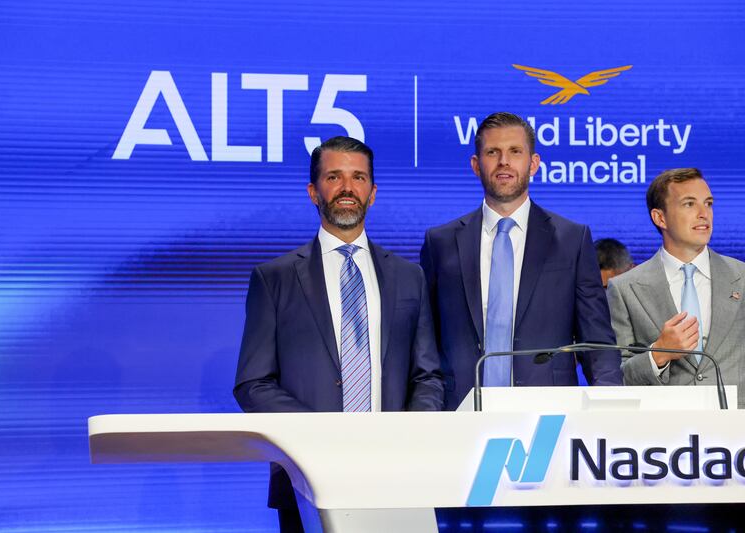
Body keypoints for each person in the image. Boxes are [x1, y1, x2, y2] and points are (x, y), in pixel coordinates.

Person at [234, 136, 444, 532]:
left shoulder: (408, 277)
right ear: (314, 191)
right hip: (305, 477)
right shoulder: (274, 278)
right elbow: (252, 382)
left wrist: (411, 437)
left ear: (373, 192)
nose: (347, 187)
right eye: (334, 176)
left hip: (398, 474)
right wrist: (325, 436)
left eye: (358, 177)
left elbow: (427, 375)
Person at [421, 112, 622, 410]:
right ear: (476, 165)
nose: (504, 161)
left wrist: (610, 408)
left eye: (515, 151)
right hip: (461, 413)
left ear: (534, 163)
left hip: (548, 416)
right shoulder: (441, 242)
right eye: (493, 152)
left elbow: (597, 342)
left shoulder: (571, 239)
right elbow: (425, 343)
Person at [607, 168, 745, 407]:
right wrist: (658, 353)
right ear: (660, 218)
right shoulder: (625, 289)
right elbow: (614, 378)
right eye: (689, 204)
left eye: (708, 203)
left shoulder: (741, 277)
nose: (704, 214)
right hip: (666, 437)